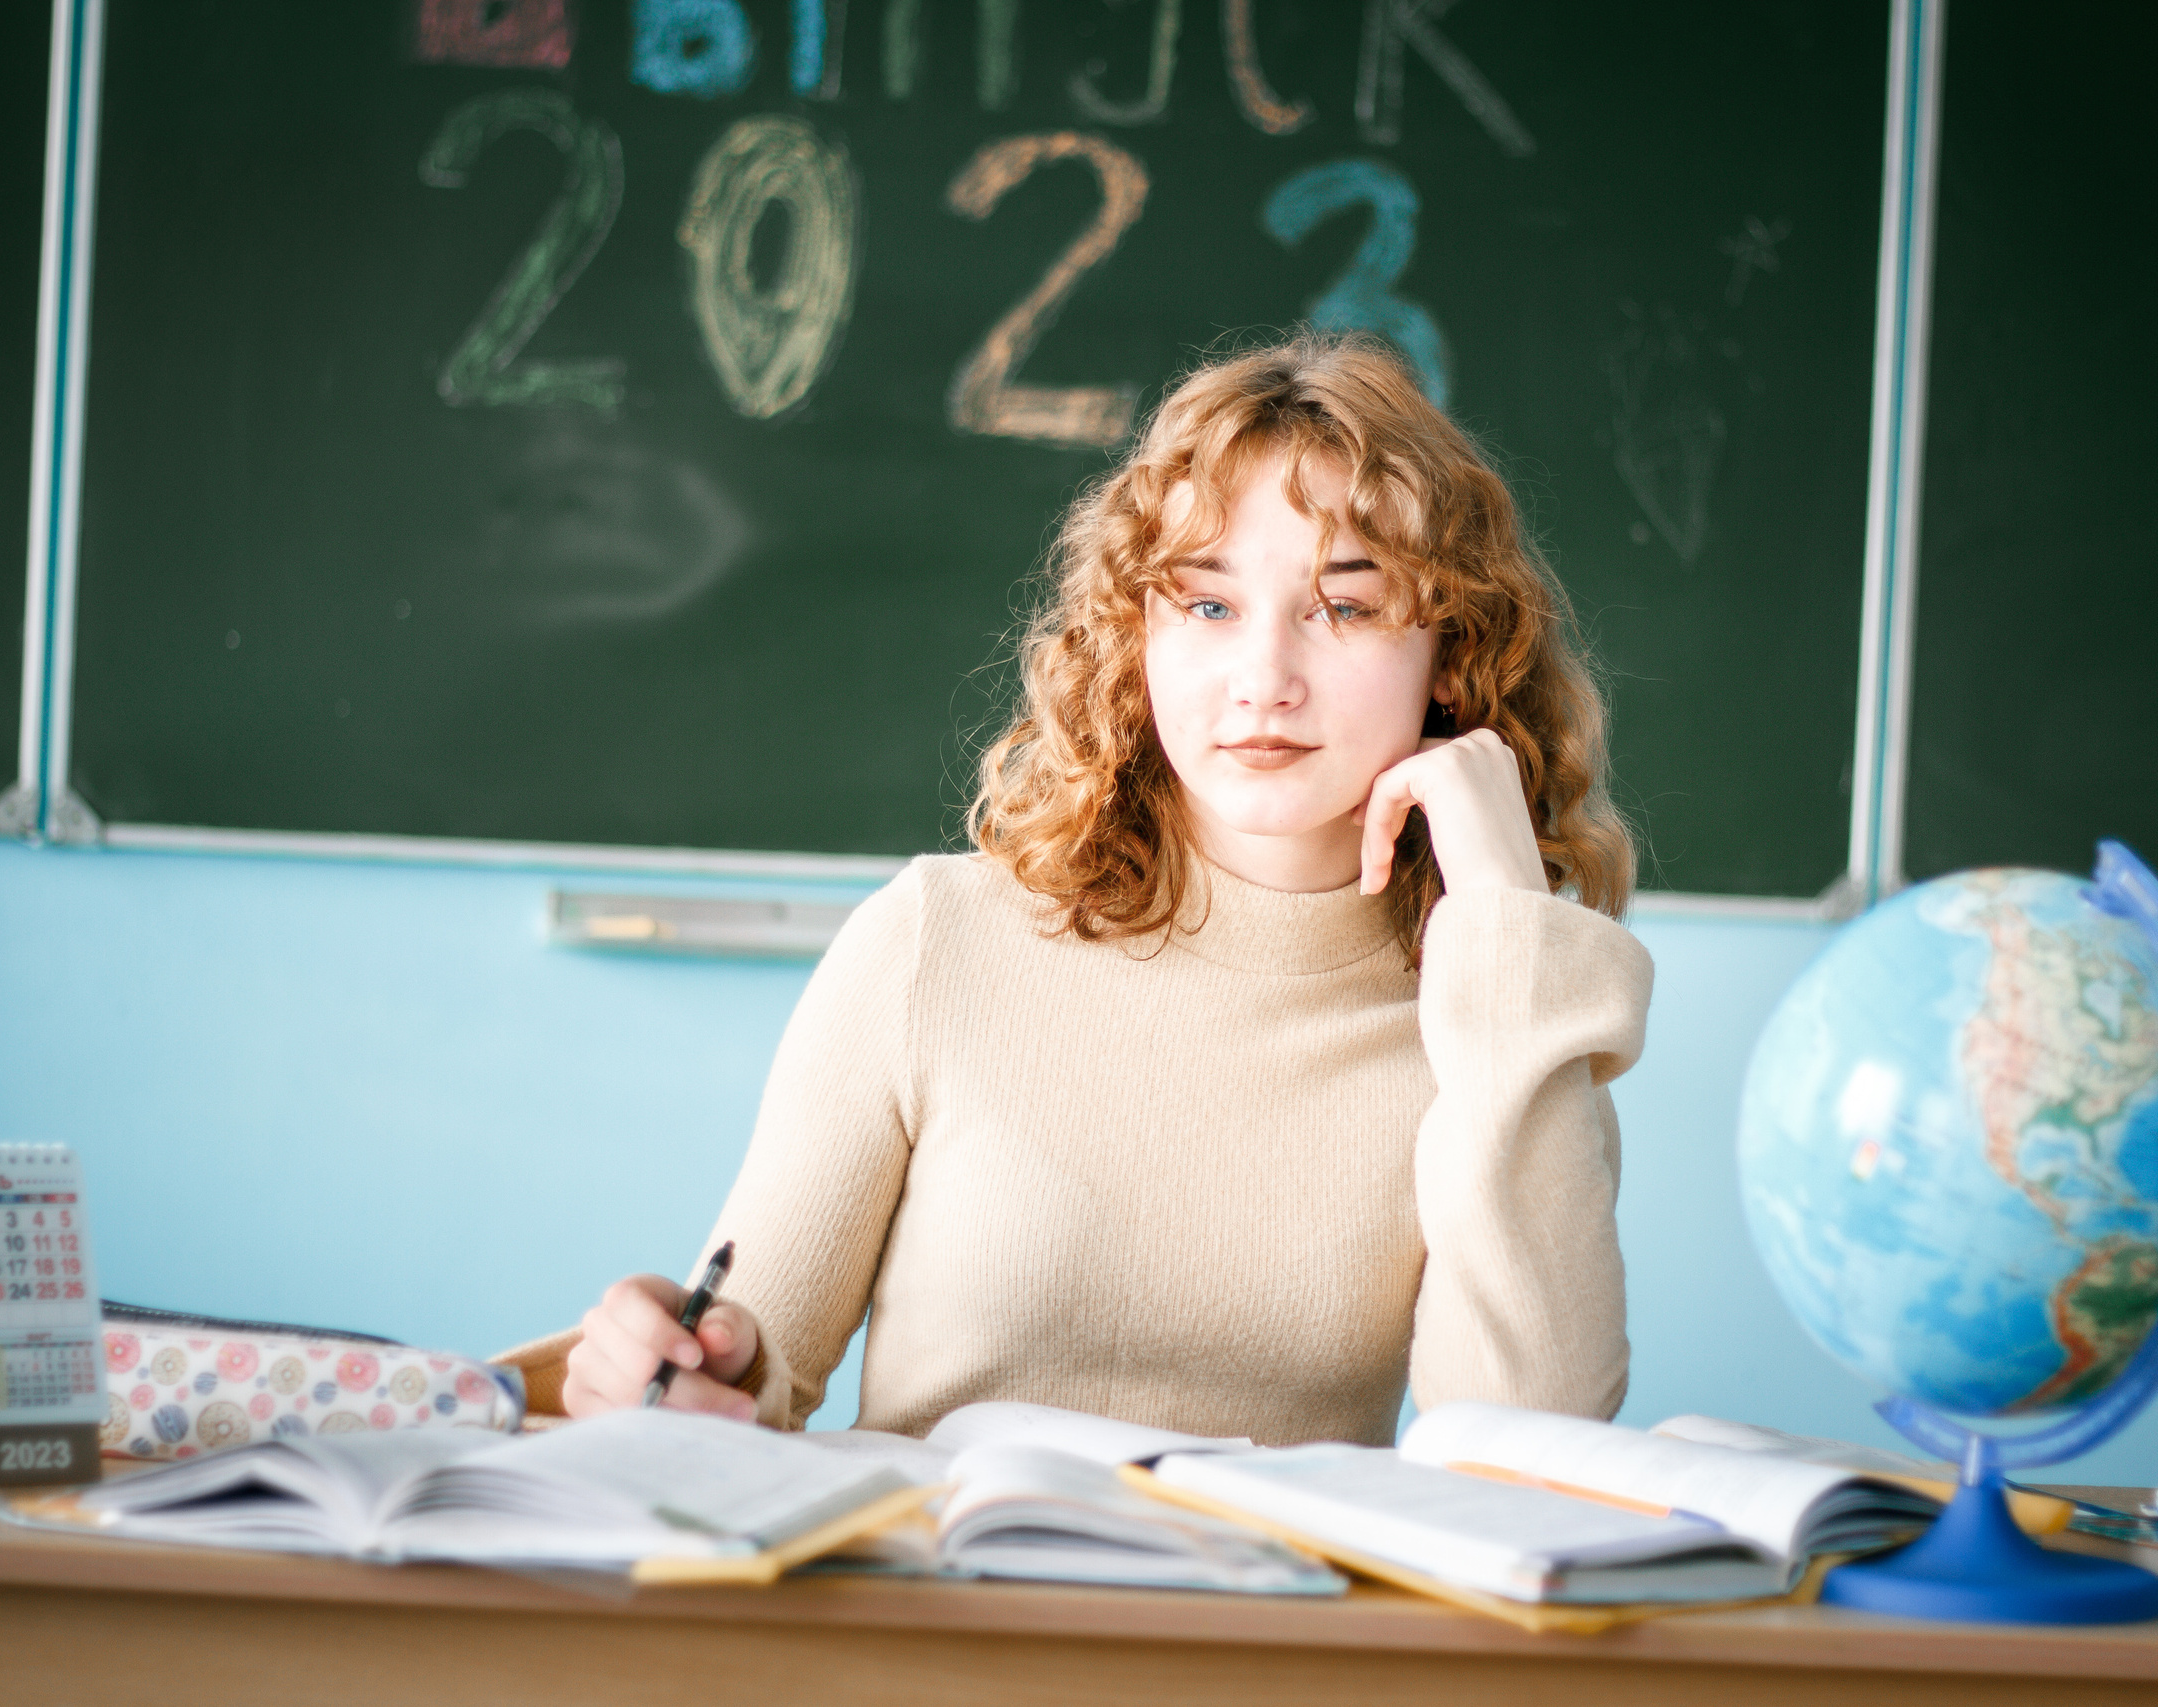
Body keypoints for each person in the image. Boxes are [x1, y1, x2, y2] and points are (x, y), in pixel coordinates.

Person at [553, 333, 1651, 1445]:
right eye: (1207, 607)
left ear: (1452, 658)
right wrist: (676, 1374)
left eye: (1344, 608)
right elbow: (743, 1375)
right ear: (1137, 641)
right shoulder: (935, 941)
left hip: (1268, 1619)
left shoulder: (1499, 1017)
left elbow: (1530, 1442)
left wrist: (1508, 924)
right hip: (943, 1602)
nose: (1263, 681)